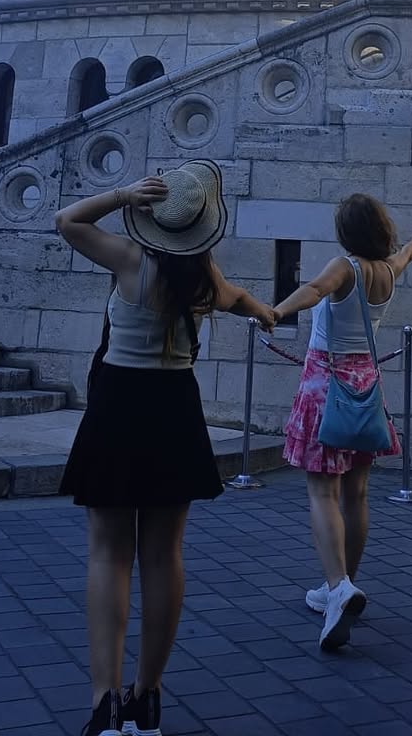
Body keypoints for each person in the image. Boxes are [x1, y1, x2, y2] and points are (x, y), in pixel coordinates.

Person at [56, 164, 276, 736]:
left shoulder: (130, 260)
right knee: (163, 555)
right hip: (176, 405)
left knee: (108, 553)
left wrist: (122, 194)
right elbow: (239, 299)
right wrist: (268, 313)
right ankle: (147, 695)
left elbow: (68, 220)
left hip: (120, 402)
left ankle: (105, 700)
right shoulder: (202, 275)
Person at [273, 195, 412, 652]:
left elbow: (313, 289)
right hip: (366, 383)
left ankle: (338, 587)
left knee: (321, 490)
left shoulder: (344, 267)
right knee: (357, 492)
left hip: (326, 384)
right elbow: (405, 254)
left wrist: (276, 312)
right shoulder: (387, 271)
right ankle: (340, 587)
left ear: (347, 232)